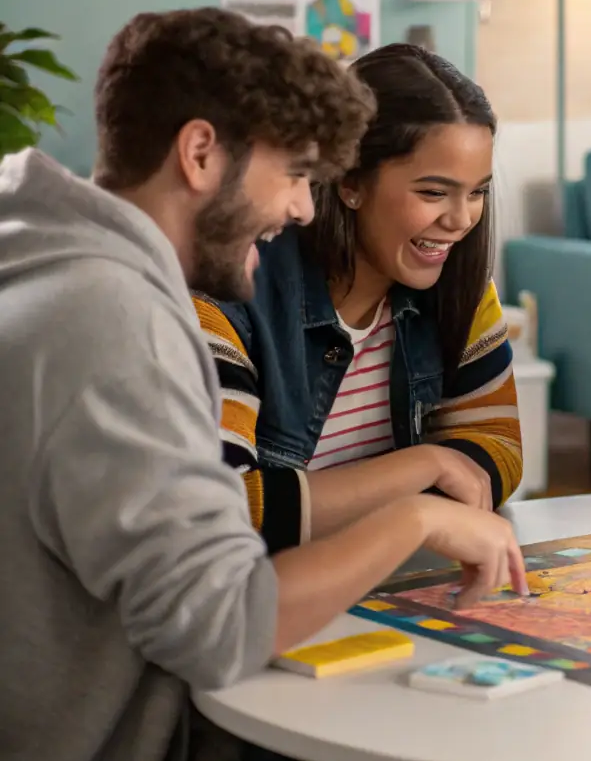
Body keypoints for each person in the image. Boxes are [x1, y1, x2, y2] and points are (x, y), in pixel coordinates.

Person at [0, 10, 525, 761]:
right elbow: (220, 628)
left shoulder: (46, 266)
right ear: (200, 154)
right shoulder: (121, 322)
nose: (304, 207)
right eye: (294, 174)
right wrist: (414, 515)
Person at [195, 43, 521, 554]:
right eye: (434, 193)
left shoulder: (461, 288)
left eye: (476, 192)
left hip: (381, 577)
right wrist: (425, 469)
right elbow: (224, 509)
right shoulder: (229, 290)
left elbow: (498, 446)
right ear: (350, 182)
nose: (461, 221)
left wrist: (327, 507)